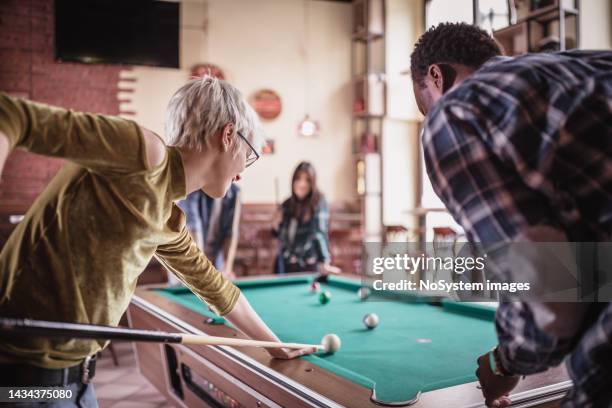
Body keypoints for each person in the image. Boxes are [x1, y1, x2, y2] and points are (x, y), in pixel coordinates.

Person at [0, 76, 315, 406]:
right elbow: (12, 114)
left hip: (77, 382)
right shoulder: (142, 154)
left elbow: (218, 290)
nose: (242, 172)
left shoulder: (167, 218)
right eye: (248, 154)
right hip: (21, 381)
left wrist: (274, 346)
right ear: (226, 136)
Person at [410, 22, 612, 407]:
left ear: (435, 75)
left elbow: (551, 297)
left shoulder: (456, 112)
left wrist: (504, 364)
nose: (429, 118)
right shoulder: (589, 65)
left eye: (424, 106)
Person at [273, 162, 340, 275]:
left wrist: (324, 261)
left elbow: (318, 233)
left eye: (307, 180)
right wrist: (275, 224)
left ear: (312, 183)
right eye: (298, 179)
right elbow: (280, 235)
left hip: (309, 266)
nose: (302, 184)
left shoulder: (319, 201)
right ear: (293, 181)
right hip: (287, 265)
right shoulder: (286, 204)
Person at [177, 183, 241, 281]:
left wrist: (227, 268)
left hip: (216, 254)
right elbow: (194, 230)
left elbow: (231, 232)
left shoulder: (234, 192)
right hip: (187, 254)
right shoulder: (193, 188)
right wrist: (201, 270)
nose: (238, 176)